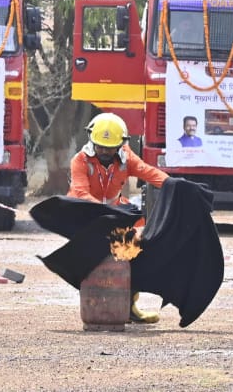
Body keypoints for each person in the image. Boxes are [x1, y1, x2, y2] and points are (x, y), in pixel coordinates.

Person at [68, 112, 170, 324]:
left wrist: (173, 185)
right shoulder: (79, 161)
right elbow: (81, 193)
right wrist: (109, 214)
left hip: (116, 214)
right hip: (85, 215)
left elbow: (148, 172)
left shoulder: (127, 157)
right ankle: (94, 308)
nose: (104, 151)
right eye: (100, 146)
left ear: (122, 143)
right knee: (91, 263)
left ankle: (130, 308)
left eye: (110, 147)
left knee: (134, 257)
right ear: (91, 140)